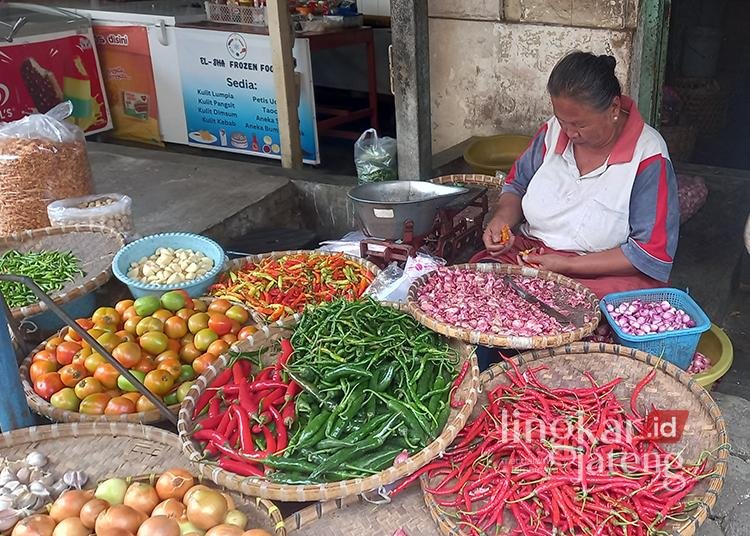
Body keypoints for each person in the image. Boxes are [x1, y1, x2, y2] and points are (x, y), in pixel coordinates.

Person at [472, 51, 680, 369]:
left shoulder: (648, 156)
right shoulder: (553, 131)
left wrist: (567, 267)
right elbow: (515, 187)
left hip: (600, 273)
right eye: (562, 120)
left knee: (567, 314)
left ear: (613, 109)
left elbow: (649, 254)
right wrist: (502, 221)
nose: (569, 133)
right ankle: (487, 374)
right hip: (534, 257)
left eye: (579, 124)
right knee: (481, 293)